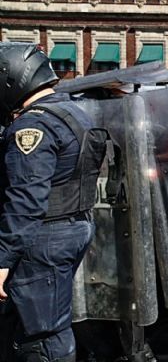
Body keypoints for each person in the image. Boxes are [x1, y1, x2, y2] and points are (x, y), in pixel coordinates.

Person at [0, 42, 108, 362]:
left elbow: (25, 200)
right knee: (47, 324)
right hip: (72, 225)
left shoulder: (33, 125)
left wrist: (2, 260)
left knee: (41, 335)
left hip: (43, 236)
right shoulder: (73, 113)